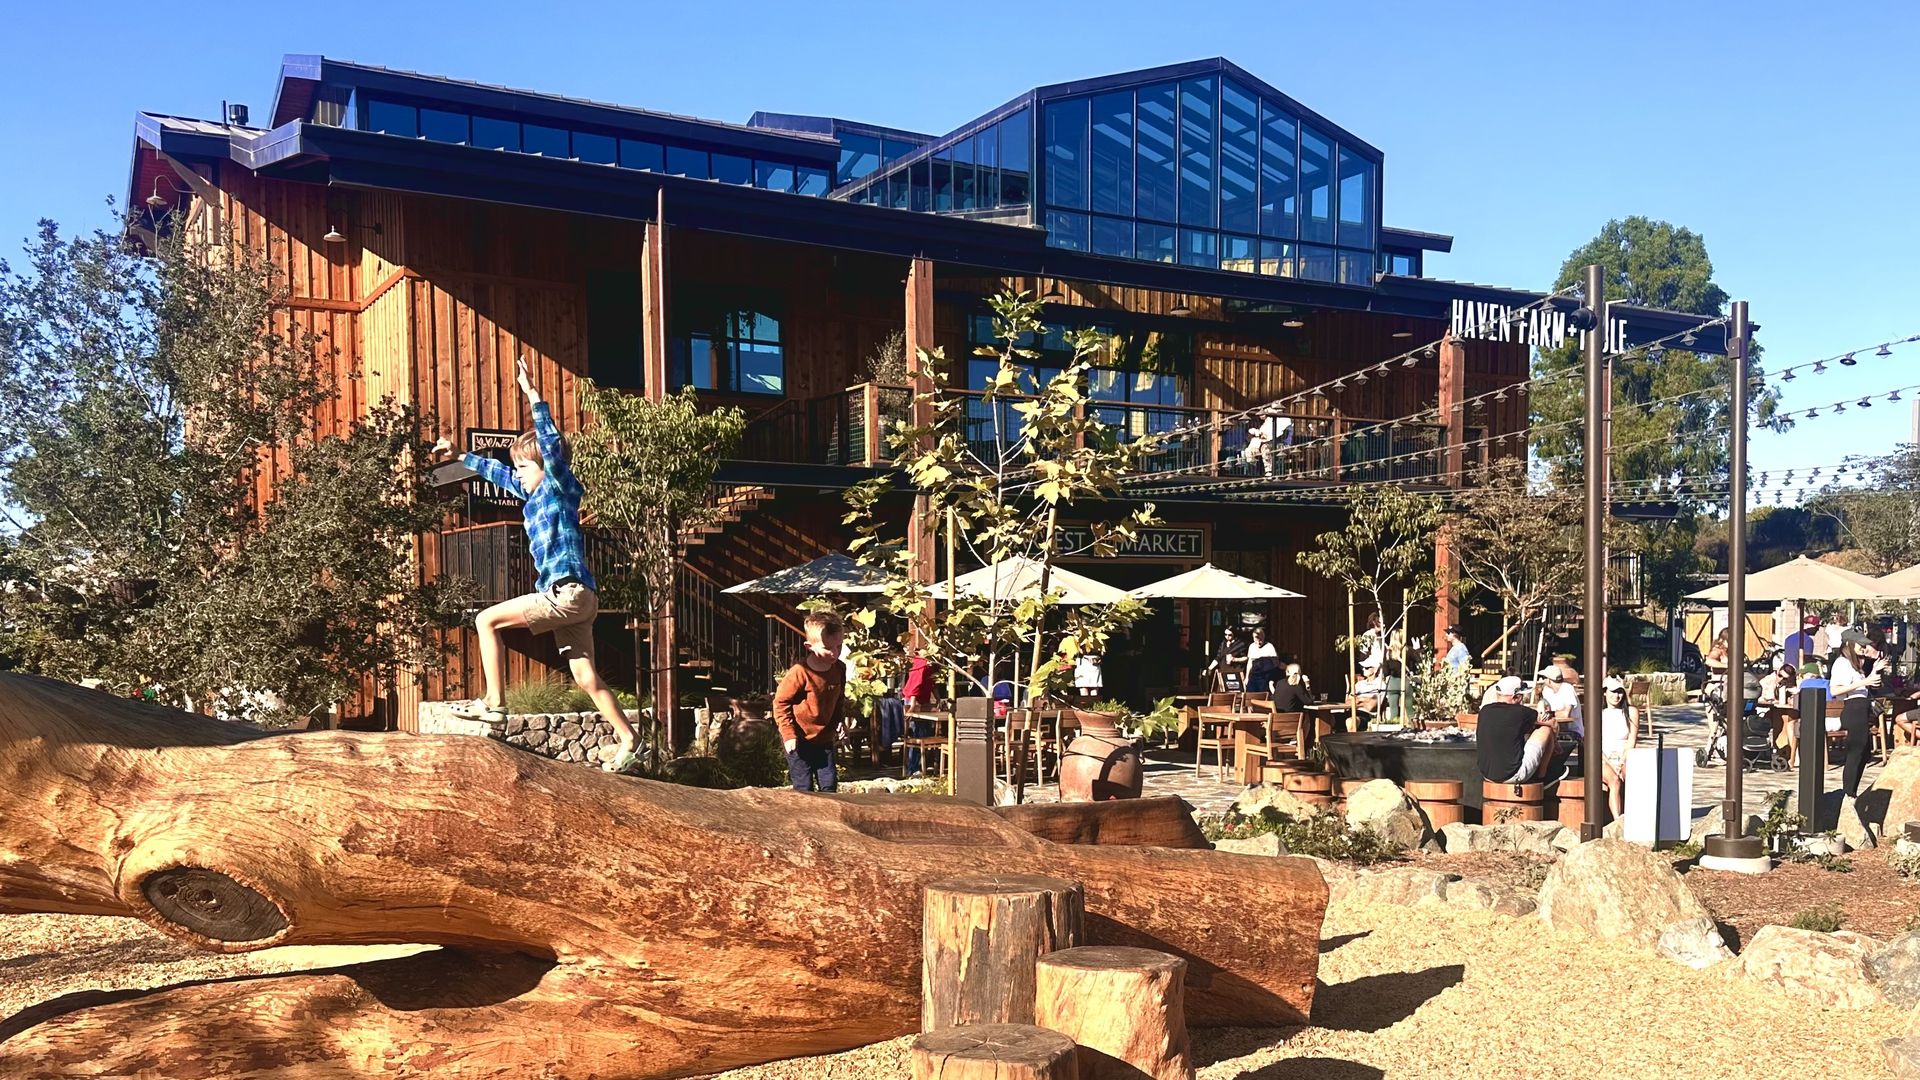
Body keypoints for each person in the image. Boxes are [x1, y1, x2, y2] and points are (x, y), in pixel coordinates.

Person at [437, 357, 639, 773]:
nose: (520, 475)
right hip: (579, 598)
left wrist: (532, 396)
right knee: (585, 678)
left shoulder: (560, 488)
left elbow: (549, 446)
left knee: (485, 620)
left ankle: (495, 704)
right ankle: (630, 738)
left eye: (525, 468)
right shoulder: (531, 497)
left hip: (566, 593)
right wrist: (461, 456)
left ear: (544, 468)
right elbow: (496, 473)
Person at [773, 611, 847, 792]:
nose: (834, 653)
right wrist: (789, 734)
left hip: (824, 738)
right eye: (828, 648)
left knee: (829, 784)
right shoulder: (800, 672)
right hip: (799, 739)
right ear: (809, 646)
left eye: (839, 646)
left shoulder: (839, 669)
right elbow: (780, 703)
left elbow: (839, 699)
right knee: (803, 787)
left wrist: (840, 721)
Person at [1477, 675, 1567, 785]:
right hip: (1513, 775)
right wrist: (1555, 743)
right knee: (1545, 730)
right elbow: (1553, 724)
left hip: (1487, 774)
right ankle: (1543, 778)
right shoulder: (1521, 712)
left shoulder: (1484, 711)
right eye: (1522, 696)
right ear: (1516, 697)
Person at [1831, 631, 1884, 799]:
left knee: (1864, 751)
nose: (1864, 648)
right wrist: (1865, 681)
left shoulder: (1854, 665)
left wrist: (1874, 672)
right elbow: (1835, 690)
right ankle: (1848, 793)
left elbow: (1861, 687)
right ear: (1849, 644)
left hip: (1861, 708)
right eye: (1861, 645)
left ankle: (1852, 791)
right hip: (1853, 709)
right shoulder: (1841, 663)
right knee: (1856, 752)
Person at [1598, 677, 1638, 819]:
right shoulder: (1599, 714)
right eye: (1613, 692)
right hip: (1603, 758)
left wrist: (1622, 761)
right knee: (1614, 780)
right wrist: (1609, 762)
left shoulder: (1631, 712)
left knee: (1631, 776)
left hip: (1624, 756)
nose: (1617, 696)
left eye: (1620, 692)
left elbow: (1632, 739)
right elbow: (1595, 744)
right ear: (1605, 692)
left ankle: (1636, 815)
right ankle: (1618, 820)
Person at [899, 646, 936, 776]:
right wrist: (913, 706)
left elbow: (932, 683)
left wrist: (938, 700)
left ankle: (922, 765)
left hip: (923, 701)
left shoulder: (929, 665)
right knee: (917, 735)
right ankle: (913, 769)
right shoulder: (921, 664)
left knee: (925, 734)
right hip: (914, 701)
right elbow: (915, 685)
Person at [1760, 659, 1802, 767]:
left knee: (1789, 720)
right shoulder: (1768, 680)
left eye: (1786, 678)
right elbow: (1763, 697)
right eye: (1780, 675)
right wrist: (1775, 685)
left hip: (1788, 711)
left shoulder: (1794, 684)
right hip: (1766, 710)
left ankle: (1790, 753)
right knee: (1783, 720)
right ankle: (1781, 750)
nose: (1781, 679)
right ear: (1777, 672)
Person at [1535, 665, 1583, 735]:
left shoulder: (1567, 689)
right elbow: (1545, 707)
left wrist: (1550, 714)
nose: (1542, 680)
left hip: (1571, 732)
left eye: (1544, 677)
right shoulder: (1547, 690)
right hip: (1555, 729)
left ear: (1549, 680)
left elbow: (1566, 714)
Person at [1244, 627, 1280, 694]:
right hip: (1254, 675)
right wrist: (1247, 677)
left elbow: (1275, 663)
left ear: (1263, 637)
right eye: (1256, 639)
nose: (1258, 642)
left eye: (1260, 639)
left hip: (1265, 676)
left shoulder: (1269, 646)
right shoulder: (1251, 646)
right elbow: (1249, 662)